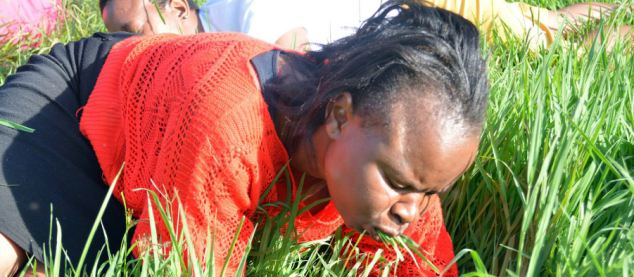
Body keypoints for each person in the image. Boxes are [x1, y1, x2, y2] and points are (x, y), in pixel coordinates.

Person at [0, 1, 488, 277]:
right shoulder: (232, 122)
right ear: (339, 116)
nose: (412, 210)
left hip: (155, 170)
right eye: (400, 184)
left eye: (431, 191)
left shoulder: (397, 160)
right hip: (73, 110)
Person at [100, 0, 624, 50]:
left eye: (133, 28)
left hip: (421, 8)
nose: (128, 48)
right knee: (548, 25)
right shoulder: (222, 20)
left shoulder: (246, 19)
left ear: (178, 8)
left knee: (554, 38)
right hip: (401, 18)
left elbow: (290, 50)